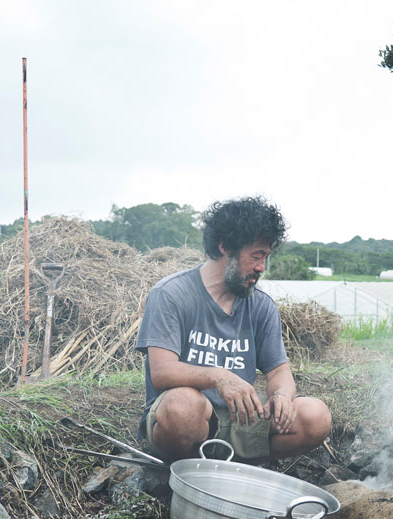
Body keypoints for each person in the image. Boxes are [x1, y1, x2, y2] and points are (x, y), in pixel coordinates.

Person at [134, 196, 332, 463]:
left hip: (241, 419)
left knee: (315, 416)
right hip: (188, 419)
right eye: (256, 256)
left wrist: (282, 396)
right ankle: (190, 470)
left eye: (266, 257)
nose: (261, 267)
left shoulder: (261, 306)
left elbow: (278, 370)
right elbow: (161, 372)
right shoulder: (171, 294)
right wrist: (219, 377)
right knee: (183, 406)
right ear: (225, 247)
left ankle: (242, 468)